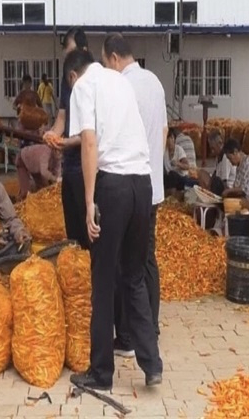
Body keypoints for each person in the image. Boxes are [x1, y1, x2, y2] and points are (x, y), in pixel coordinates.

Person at [64, 47, 163, 391]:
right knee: (134, 277)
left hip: (114, 188)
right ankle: (152, 363)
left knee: (103, 282)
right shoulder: (118, 80)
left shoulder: (82, 87)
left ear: (72, 75)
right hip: (142, 185)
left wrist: (90, 201)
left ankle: (101, 373)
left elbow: (89, 143)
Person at [101, 33, 167, 352]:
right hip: (152, 186)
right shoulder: (153, 80)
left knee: (125, 266)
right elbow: (164, 131)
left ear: (114, 58)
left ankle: (128, 337)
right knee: (146, 261)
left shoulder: (123, 87)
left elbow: (114, 137)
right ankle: (150, 329)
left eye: (105, 64)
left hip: (129, 184)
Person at [43, 27, 89, 249]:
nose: (67, 58)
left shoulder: (92, 81)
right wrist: (54, 134)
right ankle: (76, 266)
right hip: (70, 162)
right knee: (72, 222)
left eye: (70, 51)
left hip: (87, 164)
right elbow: (63, 115)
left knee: (86, 221)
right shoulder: (67, 78)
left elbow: (92, 134)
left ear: (83, 51)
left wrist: (67, 141)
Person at [220, 139, 249, 208]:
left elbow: (244, 189)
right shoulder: (239, 164)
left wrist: (228, 191)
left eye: (230, 158)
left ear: (235, 152)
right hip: (242, 198)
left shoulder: (247, 163)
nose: (230, 162)